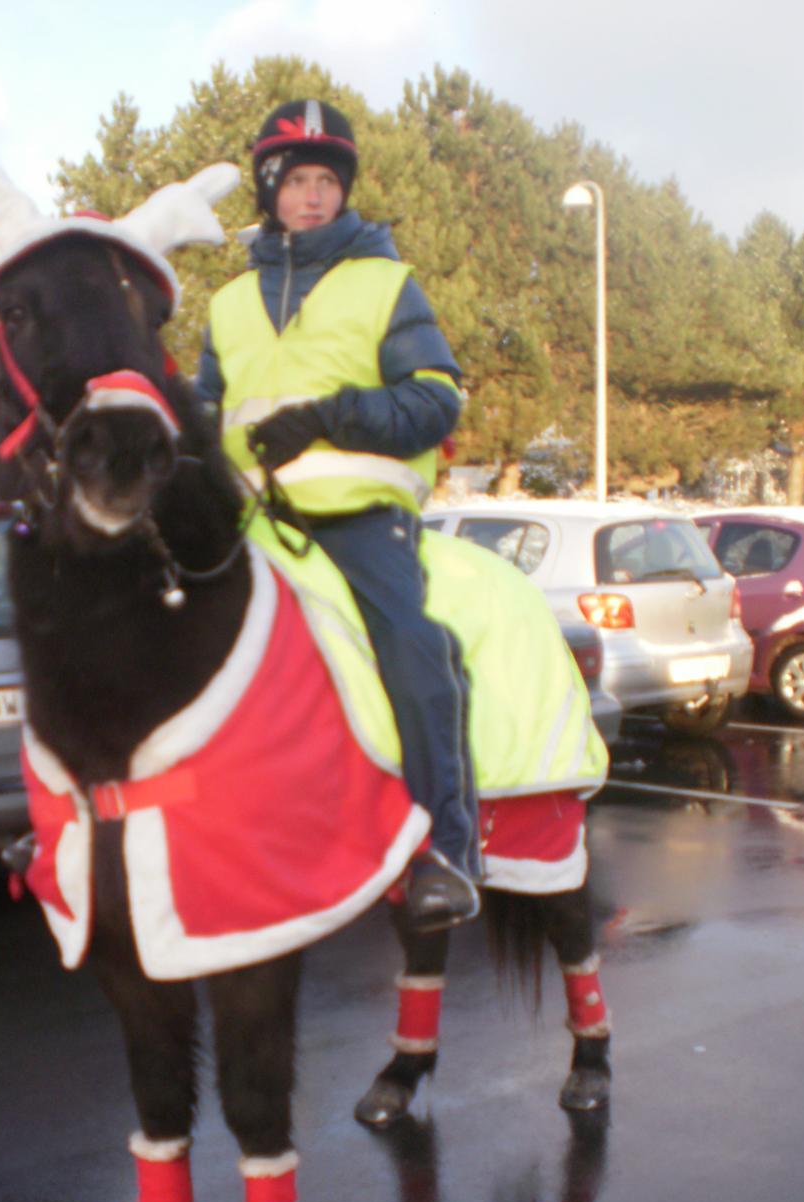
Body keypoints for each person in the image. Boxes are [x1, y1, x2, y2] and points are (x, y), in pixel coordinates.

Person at [196, 98, 481, 929]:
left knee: (412, 651)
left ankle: (444, 851)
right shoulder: (226, 304)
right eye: (297, 182)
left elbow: (435, 401)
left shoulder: (389, 282)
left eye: (328, 181)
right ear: (269, 191)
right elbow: (206, 414)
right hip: (254, 524)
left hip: (360, 523)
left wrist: (330, 415)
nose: (313, 197)